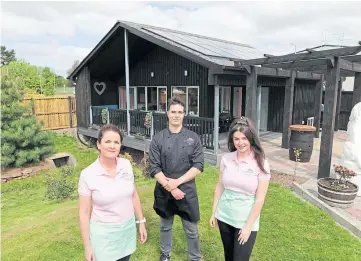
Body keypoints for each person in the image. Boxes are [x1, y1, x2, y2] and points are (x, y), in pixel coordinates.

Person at [78, 124, 147, 261]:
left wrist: (141, 222)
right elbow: (84, 213)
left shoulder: (126, 165)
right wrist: (87, 246)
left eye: (116, 142)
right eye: (107, 141)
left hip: (126, 231)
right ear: (99, 144)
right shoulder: (88, 175)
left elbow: (133, 195)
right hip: (103, 237)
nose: (112, 146)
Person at [149, 97, 204, 261]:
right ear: (167, 114)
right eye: (173, 112)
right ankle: (165, 254)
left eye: (180, 112)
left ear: (184, 115)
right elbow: (154, 167)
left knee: (191, 229)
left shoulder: (193, 138)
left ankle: (194, 257)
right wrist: (171, 187)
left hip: (186, 191)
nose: (176, 115)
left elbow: (198, 166)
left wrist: (177, 183)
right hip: (164, 191)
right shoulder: (158, 138)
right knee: (165, 227)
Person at [210, 116, 271, 261]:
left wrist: (248, 226)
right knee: (228, 256)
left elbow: (260, 199)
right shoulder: (226, 159)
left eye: (244, 138)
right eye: (236, 139)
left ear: (251, 139)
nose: (240, 143)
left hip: (245, 220)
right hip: (224, 216)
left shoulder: (261, 163)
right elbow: (220, 187)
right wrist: (214, 213)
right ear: (232, 140)